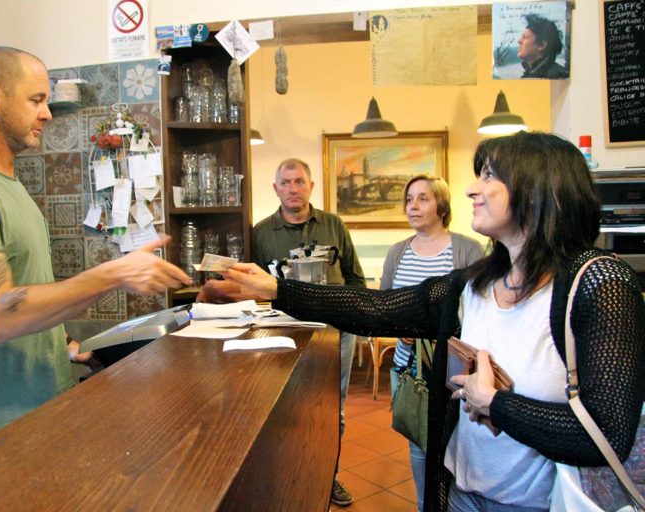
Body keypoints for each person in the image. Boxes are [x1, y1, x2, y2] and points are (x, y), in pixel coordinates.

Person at [205, 132, 644, 511]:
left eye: (489, 175)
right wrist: (277, 291)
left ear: (536, 189)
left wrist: (496, 404)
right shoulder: (473, 286)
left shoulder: (598, 282)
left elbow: (605, 435)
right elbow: (377, 308)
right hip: (461, 493)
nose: (473, 190)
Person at [0, 46, 191, 452]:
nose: (47, 113)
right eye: (36, 99)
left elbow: (28, 288)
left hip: (40, 404)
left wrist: (68, 349)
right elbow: (1, 315)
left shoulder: (5, 183)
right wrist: (115, 272)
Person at [205, 158, 365, 507]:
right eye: (286, 182)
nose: (293, 188)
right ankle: (289, 476)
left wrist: (355, 321)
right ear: (275, 188)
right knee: (283, 408)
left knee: (332, 409)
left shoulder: (335, 225)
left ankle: (330, 476)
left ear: (311, 186)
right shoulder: (260, 233)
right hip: (282, 333)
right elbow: (251, 289)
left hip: (334, 332)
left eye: (299, 181)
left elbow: (355, 279)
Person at [381, 174, 483, 511]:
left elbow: (478, 309)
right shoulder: (398, 252)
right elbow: (384, 305)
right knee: (420, 448)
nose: (413, 205)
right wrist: (399, 326)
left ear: (441, 205)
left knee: (459, 443)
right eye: (409, 199)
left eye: (423, 198)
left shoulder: (468, 249)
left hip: (453, 372)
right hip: (408, 367)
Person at [518, 14, 569, 79]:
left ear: (542, 45)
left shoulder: (560, 77)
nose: (519, 41)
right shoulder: (529, 74)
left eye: (524, 37)